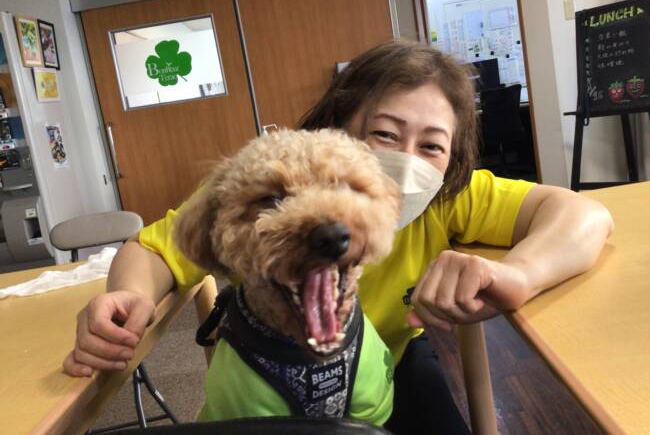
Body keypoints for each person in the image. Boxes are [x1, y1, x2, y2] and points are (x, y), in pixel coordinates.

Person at [63, 41, 613, 433]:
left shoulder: (450, 195)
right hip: (264, 358)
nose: (406, 161)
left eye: (431, 145)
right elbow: (155, 247)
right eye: (384, 134)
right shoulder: (255, 181)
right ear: (339, 125)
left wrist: (519, 274)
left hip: (389, 358)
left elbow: (582, 215)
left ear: (451, 157)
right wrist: (131, 296)